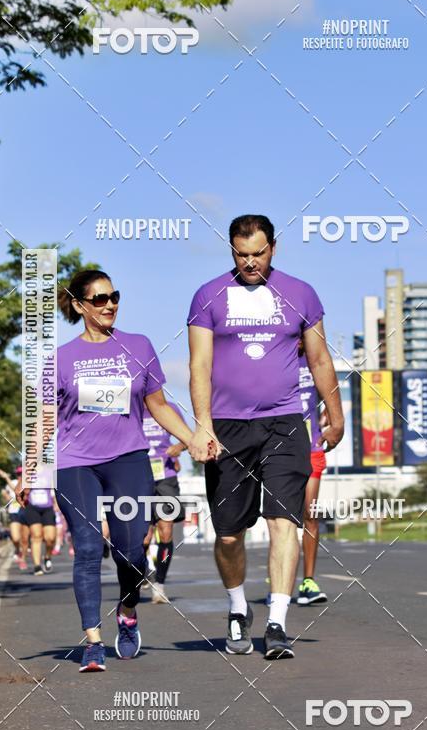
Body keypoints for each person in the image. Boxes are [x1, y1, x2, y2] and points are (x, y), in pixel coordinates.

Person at [19, 269, 210, 673]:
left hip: (127, 460)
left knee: (132, 550)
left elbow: (158, 406)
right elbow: (46, 420)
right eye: (100, 299)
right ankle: (92, 641)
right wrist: (29, 469)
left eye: (114, 297)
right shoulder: (60, 359)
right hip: (75, 465)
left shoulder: (138, 346)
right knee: (87, 549)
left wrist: (193, 437)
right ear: (79, 305)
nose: (110, 305)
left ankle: (127, 606)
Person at [188, 214, 344, 660]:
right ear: (231, 250)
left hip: (285, 423)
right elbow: (199, 366)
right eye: (242, 254)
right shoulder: (208, 296)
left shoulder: (301, 294)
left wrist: (336, 414)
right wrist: (203, 425)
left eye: (258, 253)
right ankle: (239, 608)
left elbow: (319, 360)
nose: (251, 262)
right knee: (230, 536)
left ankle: (277, 621)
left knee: (284, 523)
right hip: (228, 427)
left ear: (273, 248)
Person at [141, 403, 187, 604]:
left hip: (165, 477)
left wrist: (179, 447)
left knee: (166, 530)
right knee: (144, 538)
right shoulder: (131, 407)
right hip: (138, 477)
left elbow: (187, 437)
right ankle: (145, 569)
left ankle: (159, 584)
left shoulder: (169, 408)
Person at [296, 341, 329, 605]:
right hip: (277, 447)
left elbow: (332, 392)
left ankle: (308, 581)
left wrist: (330, 414)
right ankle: (280, 574)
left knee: (310, 513)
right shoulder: (273, 359)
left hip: (310, 448)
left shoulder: (314, 361)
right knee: (281, 518)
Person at [20, 488, 59, 574]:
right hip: (32, 508)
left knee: (51, 538)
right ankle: (37, 566)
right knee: (36, 536)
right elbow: (22, 489)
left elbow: (56, 488)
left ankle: (47, 556)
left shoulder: (50, 474)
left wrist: (56, 503)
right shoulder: (28, 473)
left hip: (48, 508)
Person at [0, 468, 25, 566]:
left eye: (22, 473)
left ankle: (23, 558)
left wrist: (6, 478)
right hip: (14, 512)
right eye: (18, 474)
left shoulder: (29, 483)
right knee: (15, 537)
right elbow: (6, 494)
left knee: (25, 537)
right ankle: (18, 550)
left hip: (26, 511)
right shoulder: (12, 482)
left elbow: (18, 490)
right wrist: (5, 495)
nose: (20, 475)